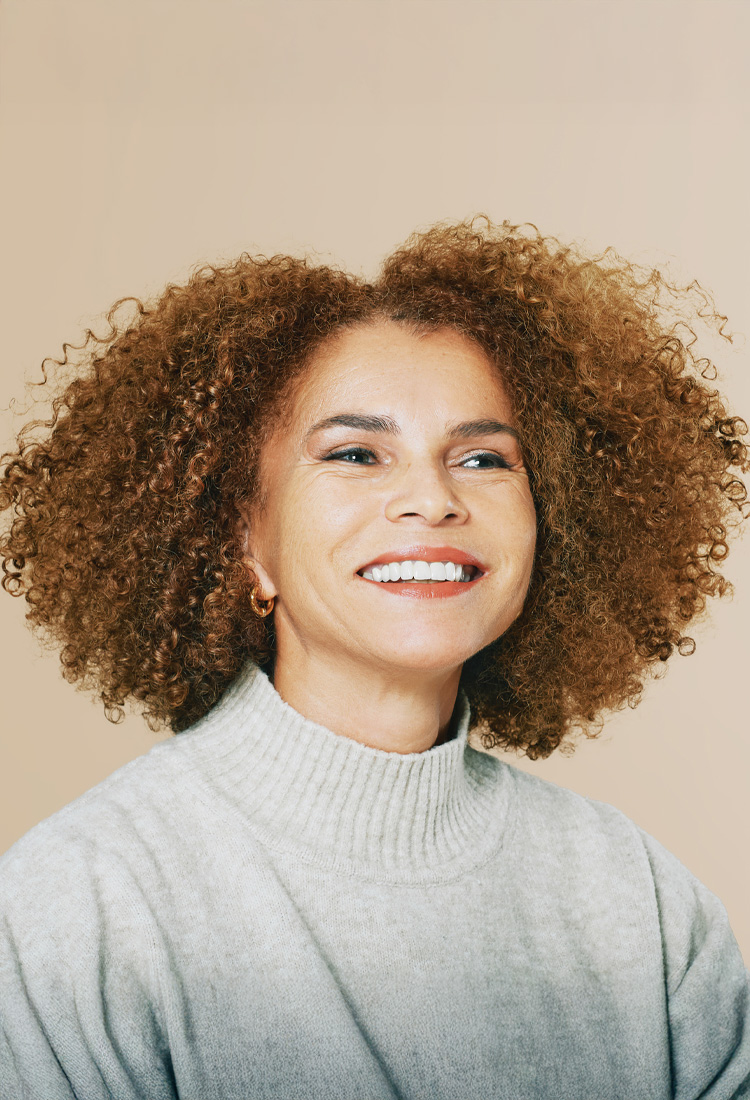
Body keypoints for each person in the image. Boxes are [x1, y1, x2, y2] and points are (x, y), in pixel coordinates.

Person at [0, 216, 748, 1099]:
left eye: (482, 457)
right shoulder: (83, 905)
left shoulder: (643, 903)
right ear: (242, 534)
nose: (432, 498)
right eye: (356, 453)